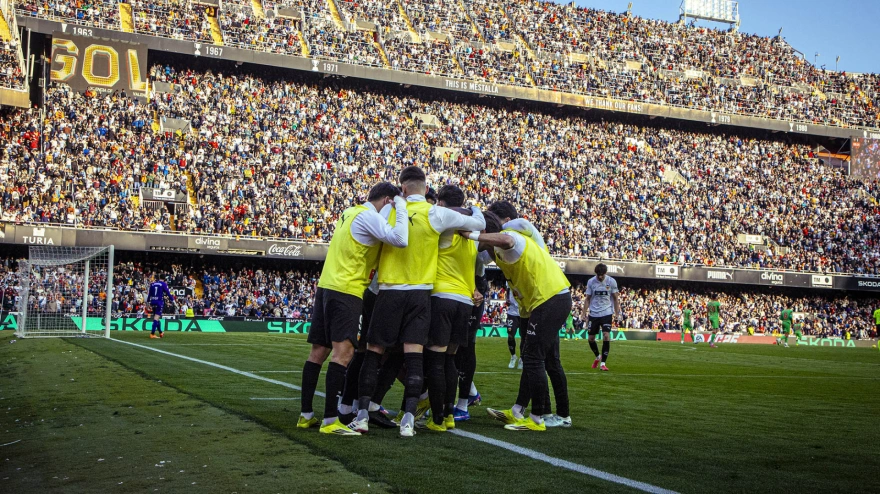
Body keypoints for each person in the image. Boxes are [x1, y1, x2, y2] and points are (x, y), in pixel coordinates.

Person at [350, 166, 485, 438]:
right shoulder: (435, 213)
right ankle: (409, 421)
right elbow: (479, 224)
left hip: (389, 290)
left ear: (402, 188)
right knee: (414, 356)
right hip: (420, 293)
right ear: (426, 188)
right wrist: (469, 210)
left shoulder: (387, 210)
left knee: (374, 352)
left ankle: (362, 415)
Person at [297, 182, 409, 436]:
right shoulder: (370, 215)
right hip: (346, 290)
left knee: (318, 353)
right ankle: (329, 421)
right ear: (387, 201)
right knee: (343, 355)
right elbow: (400, 239)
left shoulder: (350, 212)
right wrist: (401, 208)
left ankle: (306, 416)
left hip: (327, 286)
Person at [464, 206, 571, 432]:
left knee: (535, 358)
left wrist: (472, 234)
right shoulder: (498, 254)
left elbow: (506, 239)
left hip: (549, 298)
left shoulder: (512, 239)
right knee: (532, 356)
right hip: (537, 303)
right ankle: (518, 410)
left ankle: (537, 419)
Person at [422, 185, 485, 432]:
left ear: (442, 203)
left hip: (442, 297)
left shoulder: (444, 226)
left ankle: (437, 417)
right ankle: (448, 415)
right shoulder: (471, 234)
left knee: (435, 359)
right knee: (450, 359)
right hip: (464, 302)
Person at [583, 264, 620, 371]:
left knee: (606, 335)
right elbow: (587, 299)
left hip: (607, 312)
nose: (600, 277)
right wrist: (583, 313)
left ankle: (603, 363)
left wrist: (617, 314)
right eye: (598, 275)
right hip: (594, 313)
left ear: (605, 273)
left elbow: (615, 299)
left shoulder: (611, 281)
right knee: (591, 339)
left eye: (602, 275)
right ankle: (598, 357)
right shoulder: (591, 282)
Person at [147, 274, 176, 339]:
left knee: (156, 318)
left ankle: (160, 332)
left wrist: (148, 302)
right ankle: (152, 333)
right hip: (159, 302)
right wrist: (173, 300)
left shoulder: (152, 284)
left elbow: (149, 294)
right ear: (165, 278)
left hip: (153, 301)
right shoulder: (163, 284)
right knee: (156, 318)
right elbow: (168, 293)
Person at [506, 284, 523, 369]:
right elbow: (508, 290)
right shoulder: (510, 277)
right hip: (512, 312)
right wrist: (507, 299)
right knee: (510, 335)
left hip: (524, 312)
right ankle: (513, 356)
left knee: (524, 337)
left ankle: (521, 359)